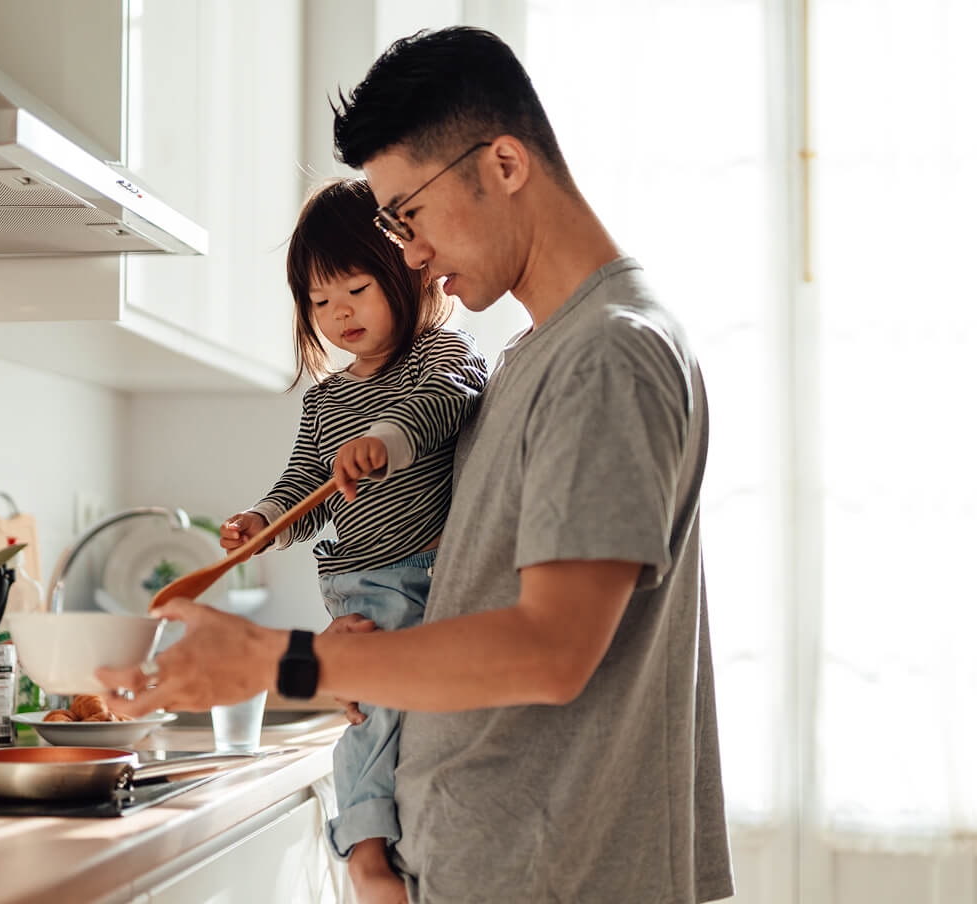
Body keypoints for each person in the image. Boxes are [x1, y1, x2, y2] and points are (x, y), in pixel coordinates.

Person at [102, 26, 734, 904]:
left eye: (409, 213)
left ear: (504, 165)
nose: (408, 251)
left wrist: (284, 661)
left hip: (554, 877)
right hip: (499, 868)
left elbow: (552, 650)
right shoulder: (532, 357)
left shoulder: (606, 354)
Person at [216, 177, 487, 900]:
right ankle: (368, 848)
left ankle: (369, 849)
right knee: (372, 710)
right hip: (359, 582)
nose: (338, 314)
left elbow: (446, 402)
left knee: (384, 712)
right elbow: (303, 485)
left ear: (406, 270)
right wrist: (260, 525)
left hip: (423, 572)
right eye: (318, 302)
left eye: (355, 290)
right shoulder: (325, 399)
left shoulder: (439, 354)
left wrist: (384, 441)